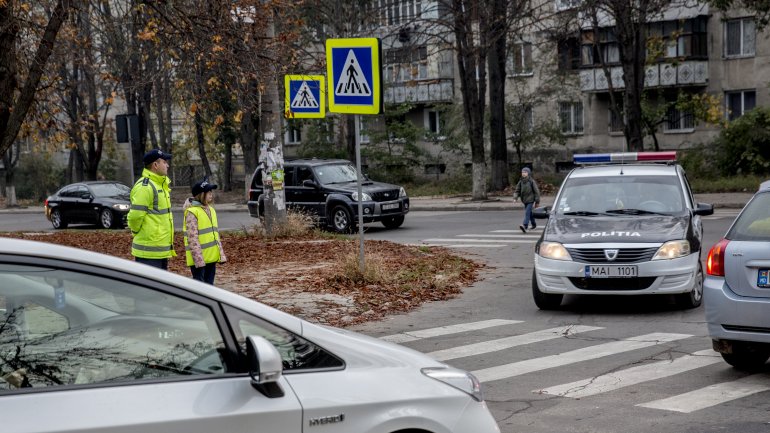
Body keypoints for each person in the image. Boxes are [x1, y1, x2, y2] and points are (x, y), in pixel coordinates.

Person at [127, 149, 176, 269]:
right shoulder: (145, 187)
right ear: (155, 165)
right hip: (148, 252)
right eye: (164, 162)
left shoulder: (160, 185)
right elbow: (135, 217)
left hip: (159, 251)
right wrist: (136, 232)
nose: (167, 165)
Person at [183, 177, 227, 284]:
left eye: (211, 192)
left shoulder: (211, 210)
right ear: (201, 194)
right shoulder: (192, 212)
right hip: (199, 260)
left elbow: (215, 235)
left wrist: (220, 254)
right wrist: (198, 259)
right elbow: (192, 238)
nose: (211, 194)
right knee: (201, 288)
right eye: (208, 192)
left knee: (209, 286)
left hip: (211, 257)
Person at [513, 166, 541, 233]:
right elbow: (517, 190)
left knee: (527, 212)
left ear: (528, 173)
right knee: (530, 213)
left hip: (531, 200)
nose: (523, 173)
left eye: (525, 172)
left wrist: (537, 201)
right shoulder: (521, 181)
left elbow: (536, 192)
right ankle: (534, 224)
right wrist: (515, 197)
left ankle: (525, 226)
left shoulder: (531, 181)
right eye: (522, 172)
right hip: (524, 200)